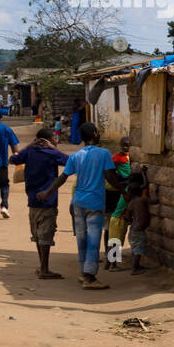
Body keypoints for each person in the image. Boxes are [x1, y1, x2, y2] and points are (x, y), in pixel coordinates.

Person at [38, 122, 126, 289]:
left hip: (78, 203)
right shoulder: (103, 154)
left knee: (82, 239)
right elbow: (110, 177)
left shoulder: (76, 156)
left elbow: (63, 177)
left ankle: (83, 272)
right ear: (94, 134)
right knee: (93, 240)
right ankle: (89, 277)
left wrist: (47, 192)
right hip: (95, 203)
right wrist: (124, 191)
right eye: (98, 132)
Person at [9, 128, 68, 278]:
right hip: (49, 200)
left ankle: (42, 266)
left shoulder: (29, 152)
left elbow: (12, 159)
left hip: (32, 200)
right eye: (54, 138)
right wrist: (54, 149)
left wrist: (28, 146)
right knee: (45, 236)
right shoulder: (52, 154)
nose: (56, 141)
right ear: (47, 140)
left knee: (37, 235)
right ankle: (44, 269)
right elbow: (71, 162)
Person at [103, 136, 133, 271]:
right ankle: (113, 265)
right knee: (116, 242)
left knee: (113, 241)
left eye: (128, 145)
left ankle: (108, 264)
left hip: (116, 218)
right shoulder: (127, 192)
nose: (126, 148)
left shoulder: (128, 157)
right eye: (124, 145)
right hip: (119, 220)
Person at [124, 176, 155, 275]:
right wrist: (156, 193)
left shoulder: (131, 203)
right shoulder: (143, 199)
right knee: (138, 249)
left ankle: (136, 266)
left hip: (133, 229)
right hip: (138, 231)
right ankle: (134, 268)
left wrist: (131, 221)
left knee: (134, 248)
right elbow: (155, 201)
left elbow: (127, 216)